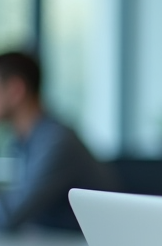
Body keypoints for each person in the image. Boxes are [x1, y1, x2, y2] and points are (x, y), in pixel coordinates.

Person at [0, 50, 118, 233]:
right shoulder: (24, 142)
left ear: (16, 90)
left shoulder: (56, 142)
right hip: (52, 244)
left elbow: (10, 215)